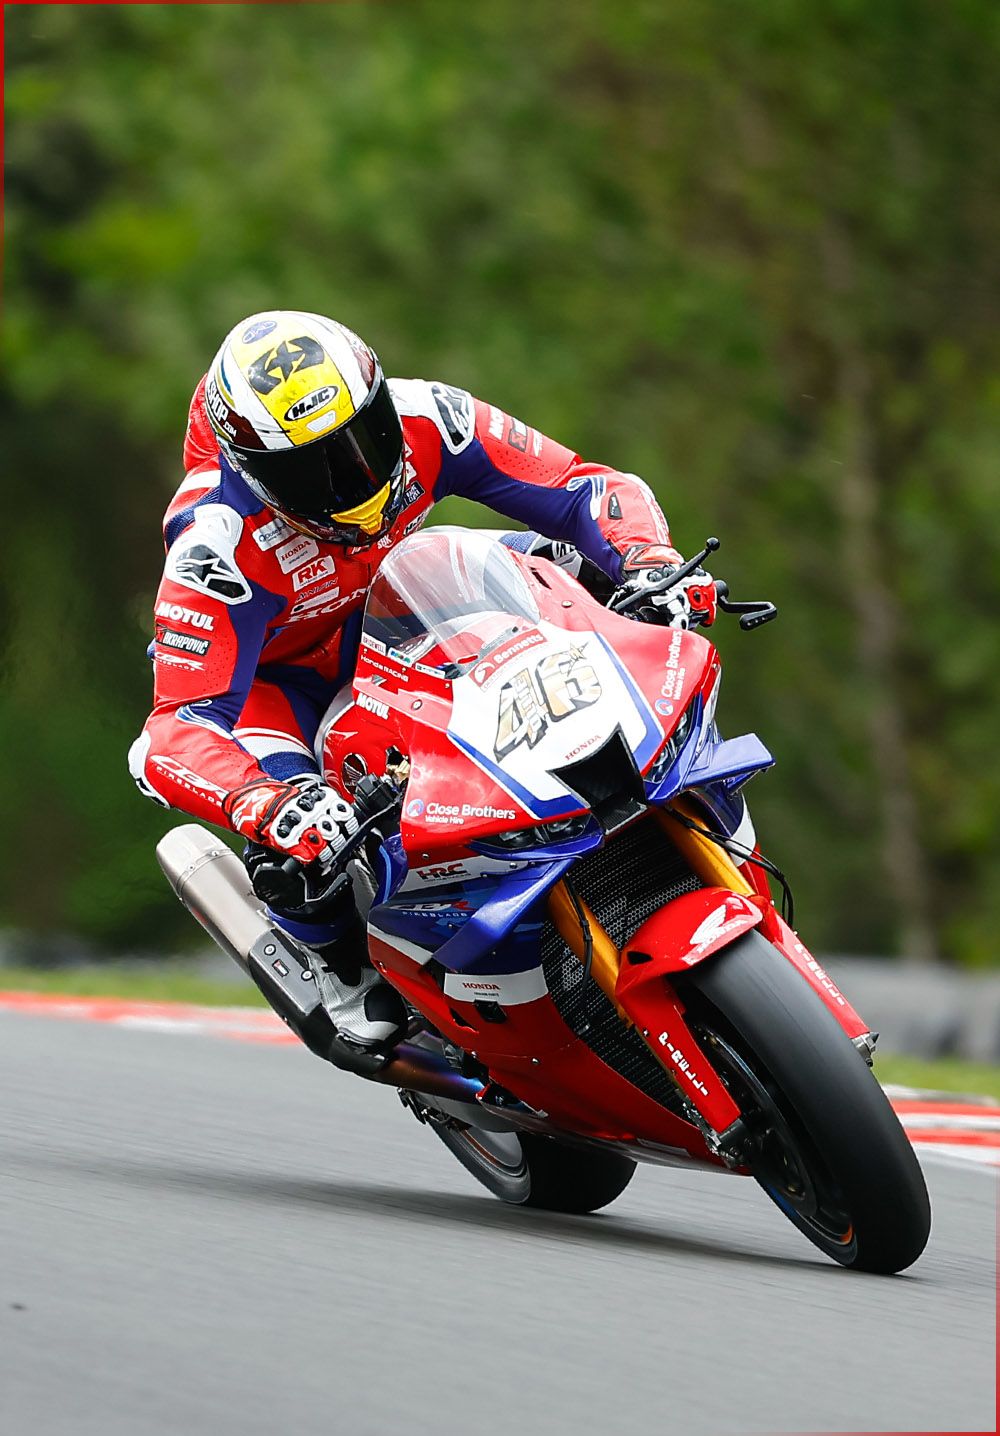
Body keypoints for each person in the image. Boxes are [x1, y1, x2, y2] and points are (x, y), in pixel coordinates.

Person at [129, 310, 717, 1068]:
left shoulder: (432, 416)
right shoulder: (215, 543)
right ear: (252, 471)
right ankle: (343, 969)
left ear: (381, 399)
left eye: (365, 439)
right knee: (302, 839)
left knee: (577, 569)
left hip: (410, 608)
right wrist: (264, 802)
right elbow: (174, 727)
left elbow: (583, 487)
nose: (357, 478)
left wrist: (649, 562)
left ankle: (650, 778)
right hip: (282, 687)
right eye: (314, 469)